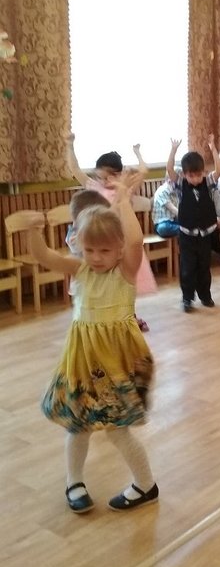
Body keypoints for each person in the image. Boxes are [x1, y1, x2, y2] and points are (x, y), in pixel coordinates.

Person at [20, 174, 158, 513]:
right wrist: (34, 231)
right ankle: (74, 482)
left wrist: (123, 201)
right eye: (90, 249)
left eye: (105, 250)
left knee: (117, 431)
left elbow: (136, 243)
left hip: (116, 363)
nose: (96, 257)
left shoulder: (124, 272)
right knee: (78, 425)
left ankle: (146, 485)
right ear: (80, 245)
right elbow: (45, 257)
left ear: (119, 249)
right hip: (82, 361)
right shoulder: (80, 269)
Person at [65, 133, 156, 331]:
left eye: (109, 176)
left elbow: (143, 170)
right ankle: (101, 316)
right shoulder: (93, 187)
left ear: (118, 174)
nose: (104, 181)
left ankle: (128, 316)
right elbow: (75, 169)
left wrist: (137, 152)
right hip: (99, 244)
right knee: (101, 281)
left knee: (125, 282)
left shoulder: (124, 189)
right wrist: (70, 145)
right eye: (100, 176)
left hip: (119, 245)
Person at [166, 138, 220, 312]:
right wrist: (173, 150)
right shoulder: (180, 184)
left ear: (203, 172)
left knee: (204, 268)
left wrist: (213, 148)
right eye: (191, 176)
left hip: (205, 235)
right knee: (187, 268)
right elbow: (169, 169)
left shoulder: (207, 182)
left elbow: (219, 169)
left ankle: (205, 296)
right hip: (187, 236)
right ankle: (187, 298)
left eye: (198, 175)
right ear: (184, 174)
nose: (195, 179)